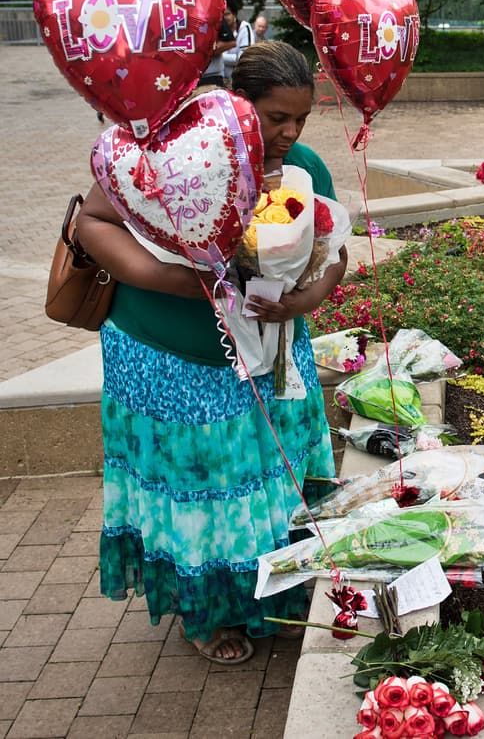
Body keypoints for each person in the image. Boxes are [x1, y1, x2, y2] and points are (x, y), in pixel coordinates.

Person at [77, 41, 347, 665]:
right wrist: (175, 280)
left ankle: (270, 597)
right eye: (277, 117)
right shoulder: (168, 157)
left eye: (301, 118)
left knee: (273, 486)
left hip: (271, 355)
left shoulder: (305, 168)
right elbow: (92, 221)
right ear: (235, 108)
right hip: (169, 357)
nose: (290, 132)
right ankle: (206, 613)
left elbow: (334, 256)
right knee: (201, 492)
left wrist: (300, 302)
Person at [199, 7, 237, 87]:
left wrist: (204, 51)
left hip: (211, 77)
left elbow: (231, 42)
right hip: (182, 79)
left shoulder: (213, 13)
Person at [221, 9, 257, 83]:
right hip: (220, 81)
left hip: (237, 81)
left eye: (227, 14)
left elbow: (243, 58)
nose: (224, 18)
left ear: (234, 14)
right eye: (221, 15)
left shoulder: (244, 28)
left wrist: (217, 56)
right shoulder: (217, 28)